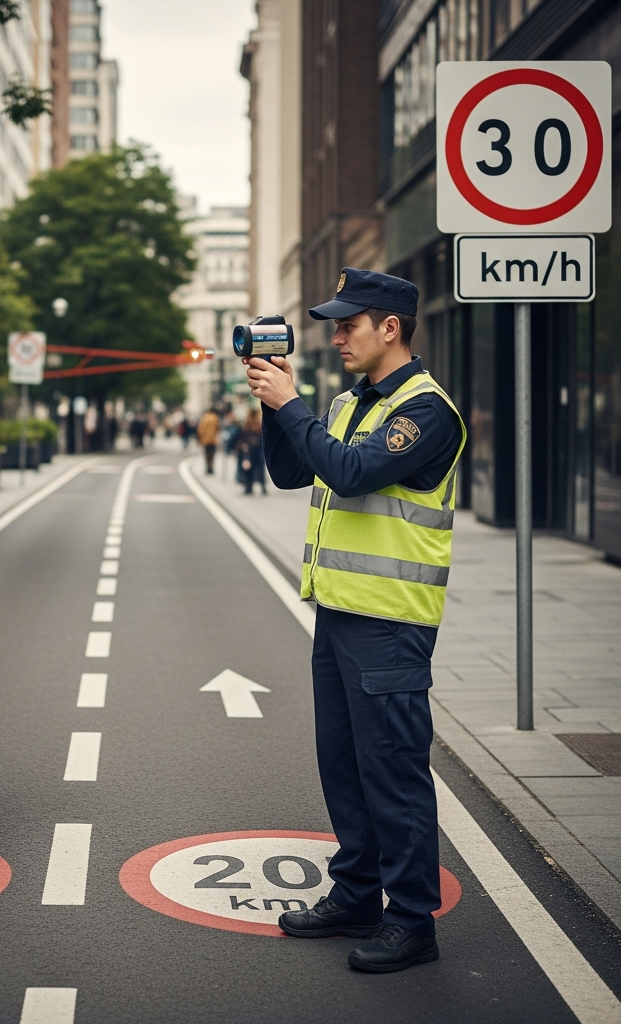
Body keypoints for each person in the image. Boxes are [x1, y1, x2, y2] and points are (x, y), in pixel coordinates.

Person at [245, 268, 465, 974]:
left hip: (391, 622)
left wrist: (293, 404)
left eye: (348, 325)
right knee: (345, 768)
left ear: (390, 327)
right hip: (341, 612)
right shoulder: (348, 403)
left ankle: (412, 921)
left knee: (393, 773)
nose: (337, 337)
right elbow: (292, 472)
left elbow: (349, 472)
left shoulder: (425, 411)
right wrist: (274, 407)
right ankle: (357, 895)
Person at [237, 408, 266, 495]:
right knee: (260, 469)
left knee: (249, 470)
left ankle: (249, 488)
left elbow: (242, 437)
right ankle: (262, 487)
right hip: (258, 450)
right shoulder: (260, 425)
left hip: (249, 451)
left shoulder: (247, 425)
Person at [196, 407, 220, 474]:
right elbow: (218, 428)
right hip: (213, 440)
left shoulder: (204, 418)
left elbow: (201, 430)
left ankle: (207, 467)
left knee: (207, 454)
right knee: (212, 454)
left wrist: (199, 438)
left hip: (205, 440)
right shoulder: (215, 418)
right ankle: (211, 467)